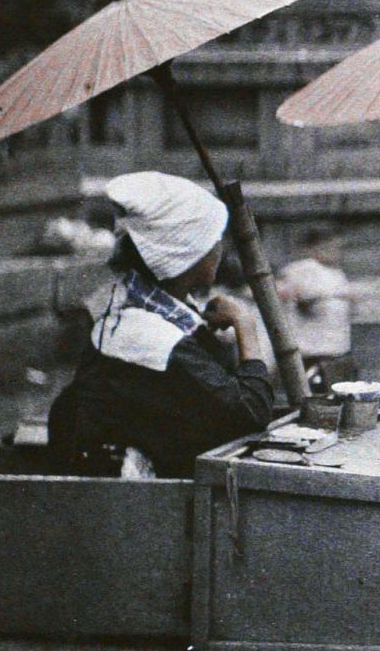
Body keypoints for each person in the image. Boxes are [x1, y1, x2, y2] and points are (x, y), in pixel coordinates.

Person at [47, 172, 275, 479]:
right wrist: (245, 325)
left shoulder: (129, 306)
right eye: (214, 239)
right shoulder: (155, 340)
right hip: (131, 490)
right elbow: (252, 412)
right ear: (189, 254)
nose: (220, 247)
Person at [277, 227, 356, 389]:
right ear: (314, 247)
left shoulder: (336, 273)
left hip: (337, 349)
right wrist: (335, 295)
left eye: (338, 247)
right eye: (330, 247)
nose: (336, 252)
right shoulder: (302, 268)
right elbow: (303, 296)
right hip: (311, 350)